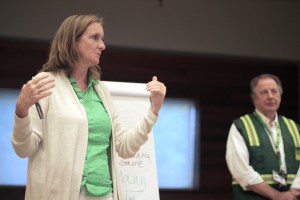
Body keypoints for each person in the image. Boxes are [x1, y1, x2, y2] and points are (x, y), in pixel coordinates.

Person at [11, 14, 166, 200]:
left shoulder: (102, 91)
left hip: (105, 195)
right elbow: (24, 149)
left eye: (102, 39)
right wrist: (21, 111)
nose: (102, 45)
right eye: (95, 38)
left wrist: (154, 109)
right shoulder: (44, 84)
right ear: (72, 42)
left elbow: (125, 147)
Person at [225, 74, 300, 200]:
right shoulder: (240, 126)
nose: (270, 96)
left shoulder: (294, 127)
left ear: (280, 96)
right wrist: (277, 196)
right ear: (254, 98)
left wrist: (292, 193)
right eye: (264, 92)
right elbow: (241, 171)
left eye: (274, 91)